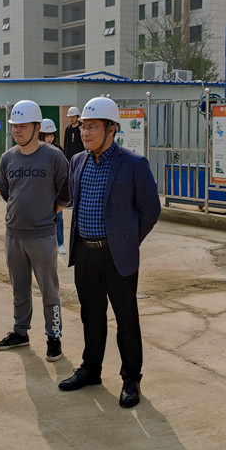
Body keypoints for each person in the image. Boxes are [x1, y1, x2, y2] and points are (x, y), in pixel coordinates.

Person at [59, 96, 161, 409]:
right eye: (83, 126)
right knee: (91, 315)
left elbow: (150, 210)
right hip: (85, 253)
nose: (85, 132)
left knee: (126, 318)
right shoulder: (78, 161)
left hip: (117, 255)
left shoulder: (133, 164)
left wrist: (127, 240)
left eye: (92, 127)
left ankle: (131, 378)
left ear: (112, 129)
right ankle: (91, 369)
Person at [0, 102, 69, 363]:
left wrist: (51, 211)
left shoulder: (53, 157)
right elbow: (5, 190)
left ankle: (53, 336)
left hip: (42, 235)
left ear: (37, 128)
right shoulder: (8, 158)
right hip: (14, 235)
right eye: (15, 126)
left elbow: (66, 189)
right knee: (20, 289)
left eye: (23, 126)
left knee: (49, 291)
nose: (17, 130)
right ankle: (20, 332)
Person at [40, 118, 66, 256]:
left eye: (51, 136)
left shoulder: (58, 150)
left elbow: (64, 170)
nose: (49, 139)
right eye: (46, 136)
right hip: (42, 191)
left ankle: (60, 243)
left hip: (55, 190)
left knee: (58, 217)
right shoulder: (37, 150)